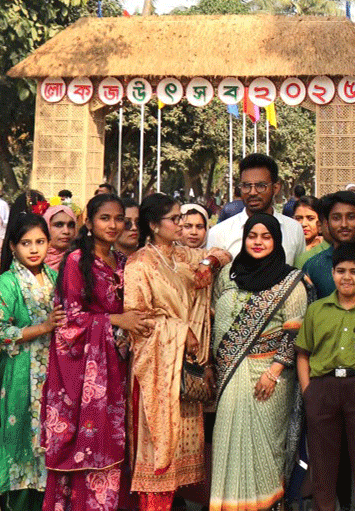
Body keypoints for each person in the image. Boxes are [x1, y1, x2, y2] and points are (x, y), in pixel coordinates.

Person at [42, 193, 151, 511]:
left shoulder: (123, 262)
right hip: (81, 375)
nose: (114, 225)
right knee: (83, 445)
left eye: (119, 219)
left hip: (115, 369)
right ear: (88, 222)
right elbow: (69, 320)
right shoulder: (76, 262)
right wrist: (116, 320)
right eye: (105, 218)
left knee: (112, 443)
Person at [126, 194, 228, 511]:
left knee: (177, 462)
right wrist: (181, 331)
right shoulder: (139, 264)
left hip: (182, 368)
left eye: (181, 217)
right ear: (154, 225)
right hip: (155, 369)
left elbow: (218, 257)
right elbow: (137, 320)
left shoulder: (181, 255)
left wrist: (210, 262)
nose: (181, 224)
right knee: (157, 453)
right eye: (174, 219)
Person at [208, 213, 309, 511]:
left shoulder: (291, 281)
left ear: (276, 240)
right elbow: (213, 315)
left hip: (269, 377)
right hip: (229, 373)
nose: (258, 242)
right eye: (252, 236)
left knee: (264, 447)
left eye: (266, 237)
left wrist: (274, 372)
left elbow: (295, 333)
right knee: (228, 442)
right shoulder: (228, 275)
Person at [294, 241, 355, 511]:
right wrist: (308, 392)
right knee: (323, 464)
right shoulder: (317, 310)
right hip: (322, 389)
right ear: (332, 273)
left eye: (354, 271)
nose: (346, 277)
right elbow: (303, 353)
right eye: (340, 271)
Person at [0, 213, 58, 511]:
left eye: (40, 241)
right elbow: (1, 331)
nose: (34, 249)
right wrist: (44, 327)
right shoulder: (6, 283)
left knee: (51, 445)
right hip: (21, 375)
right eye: (26, 243)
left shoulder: (56, 278)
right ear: (12, 246)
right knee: (21, 442)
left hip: (55, 376)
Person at [207, 154, 305, 261]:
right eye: (246, 186)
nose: (252, 192)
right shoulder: (219, 233)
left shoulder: (293, 229)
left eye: (261, 186)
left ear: (276, 188)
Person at [291, 195, 327, 268]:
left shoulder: (328, 249)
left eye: (310, 218)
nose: (303, 224)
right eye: (298, 218)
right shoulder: (286, 245)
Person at [41, 205, 76, 270]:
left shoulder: (81, 260)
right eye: (59, 225)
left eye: (71, 225)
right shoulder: (34, 258)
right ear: (46, 227)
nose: (66, 231)